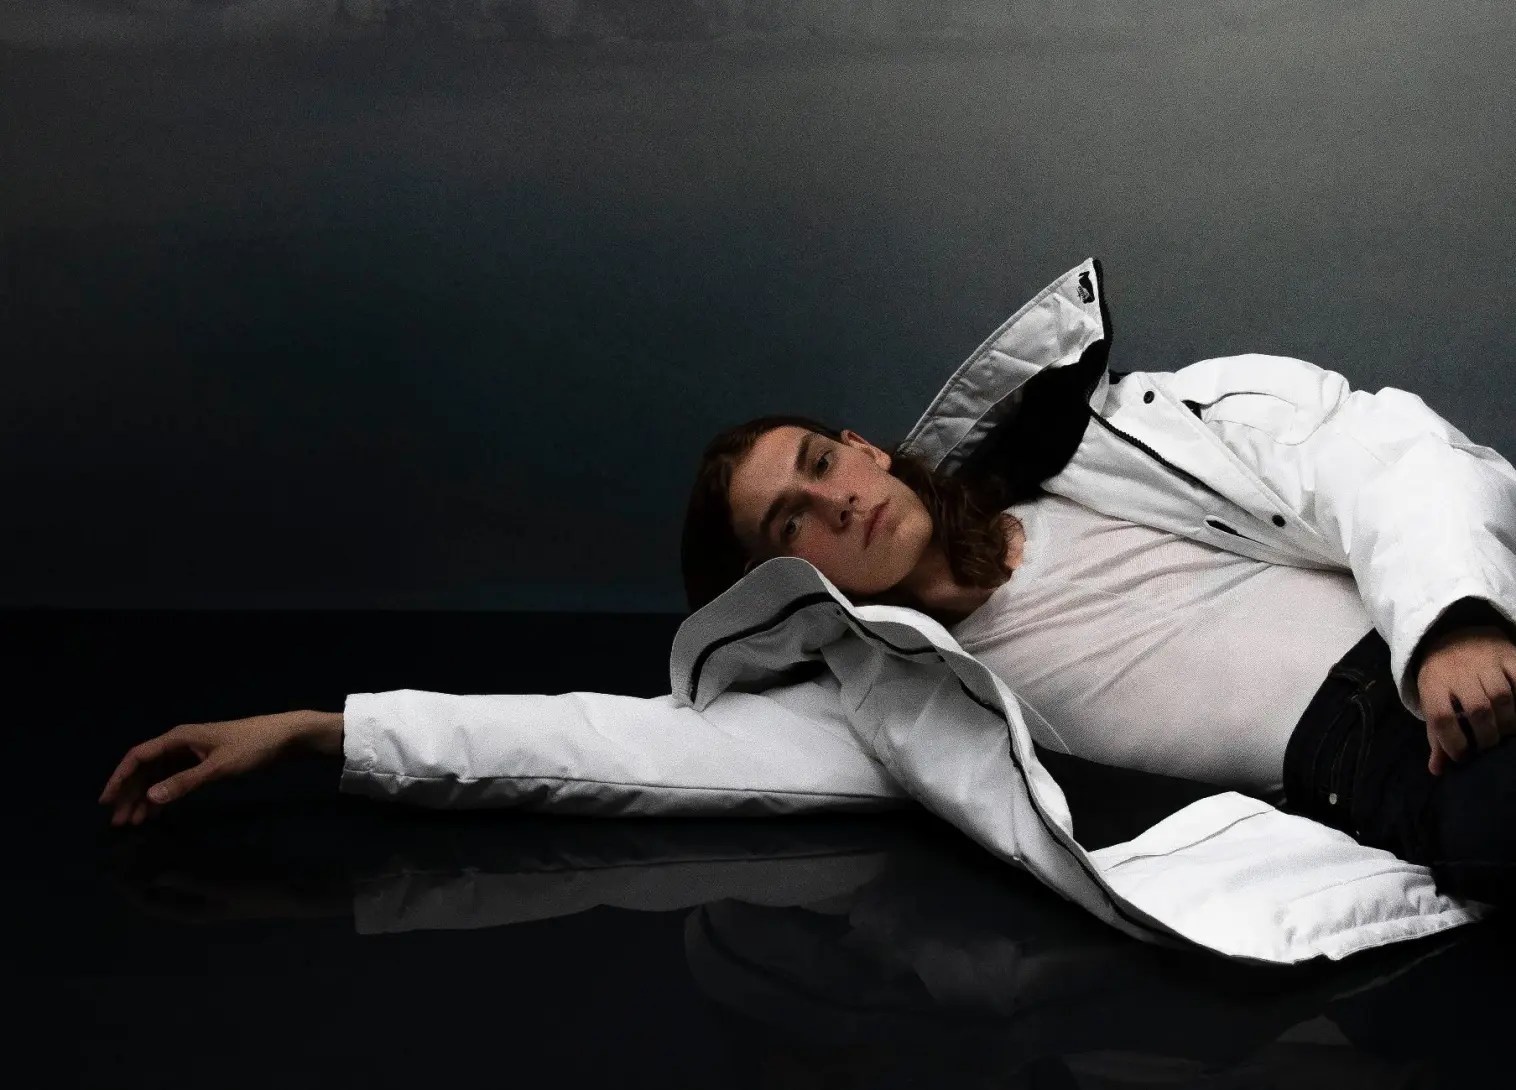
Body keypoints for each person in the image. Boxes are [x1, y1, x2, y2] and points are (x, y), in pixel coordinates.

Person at [99, 258, 1516, 924]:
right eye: (797, 517)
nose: (840, 496)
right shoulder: (896, 700)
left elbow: (1371, 449)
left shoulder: (1107, 445)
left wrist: (1450, 619)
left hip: (1457, 625)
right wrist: (326, 731)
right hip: (1407, 762)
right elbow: (603, 746)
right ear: (787, 577)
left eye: (825, 459)